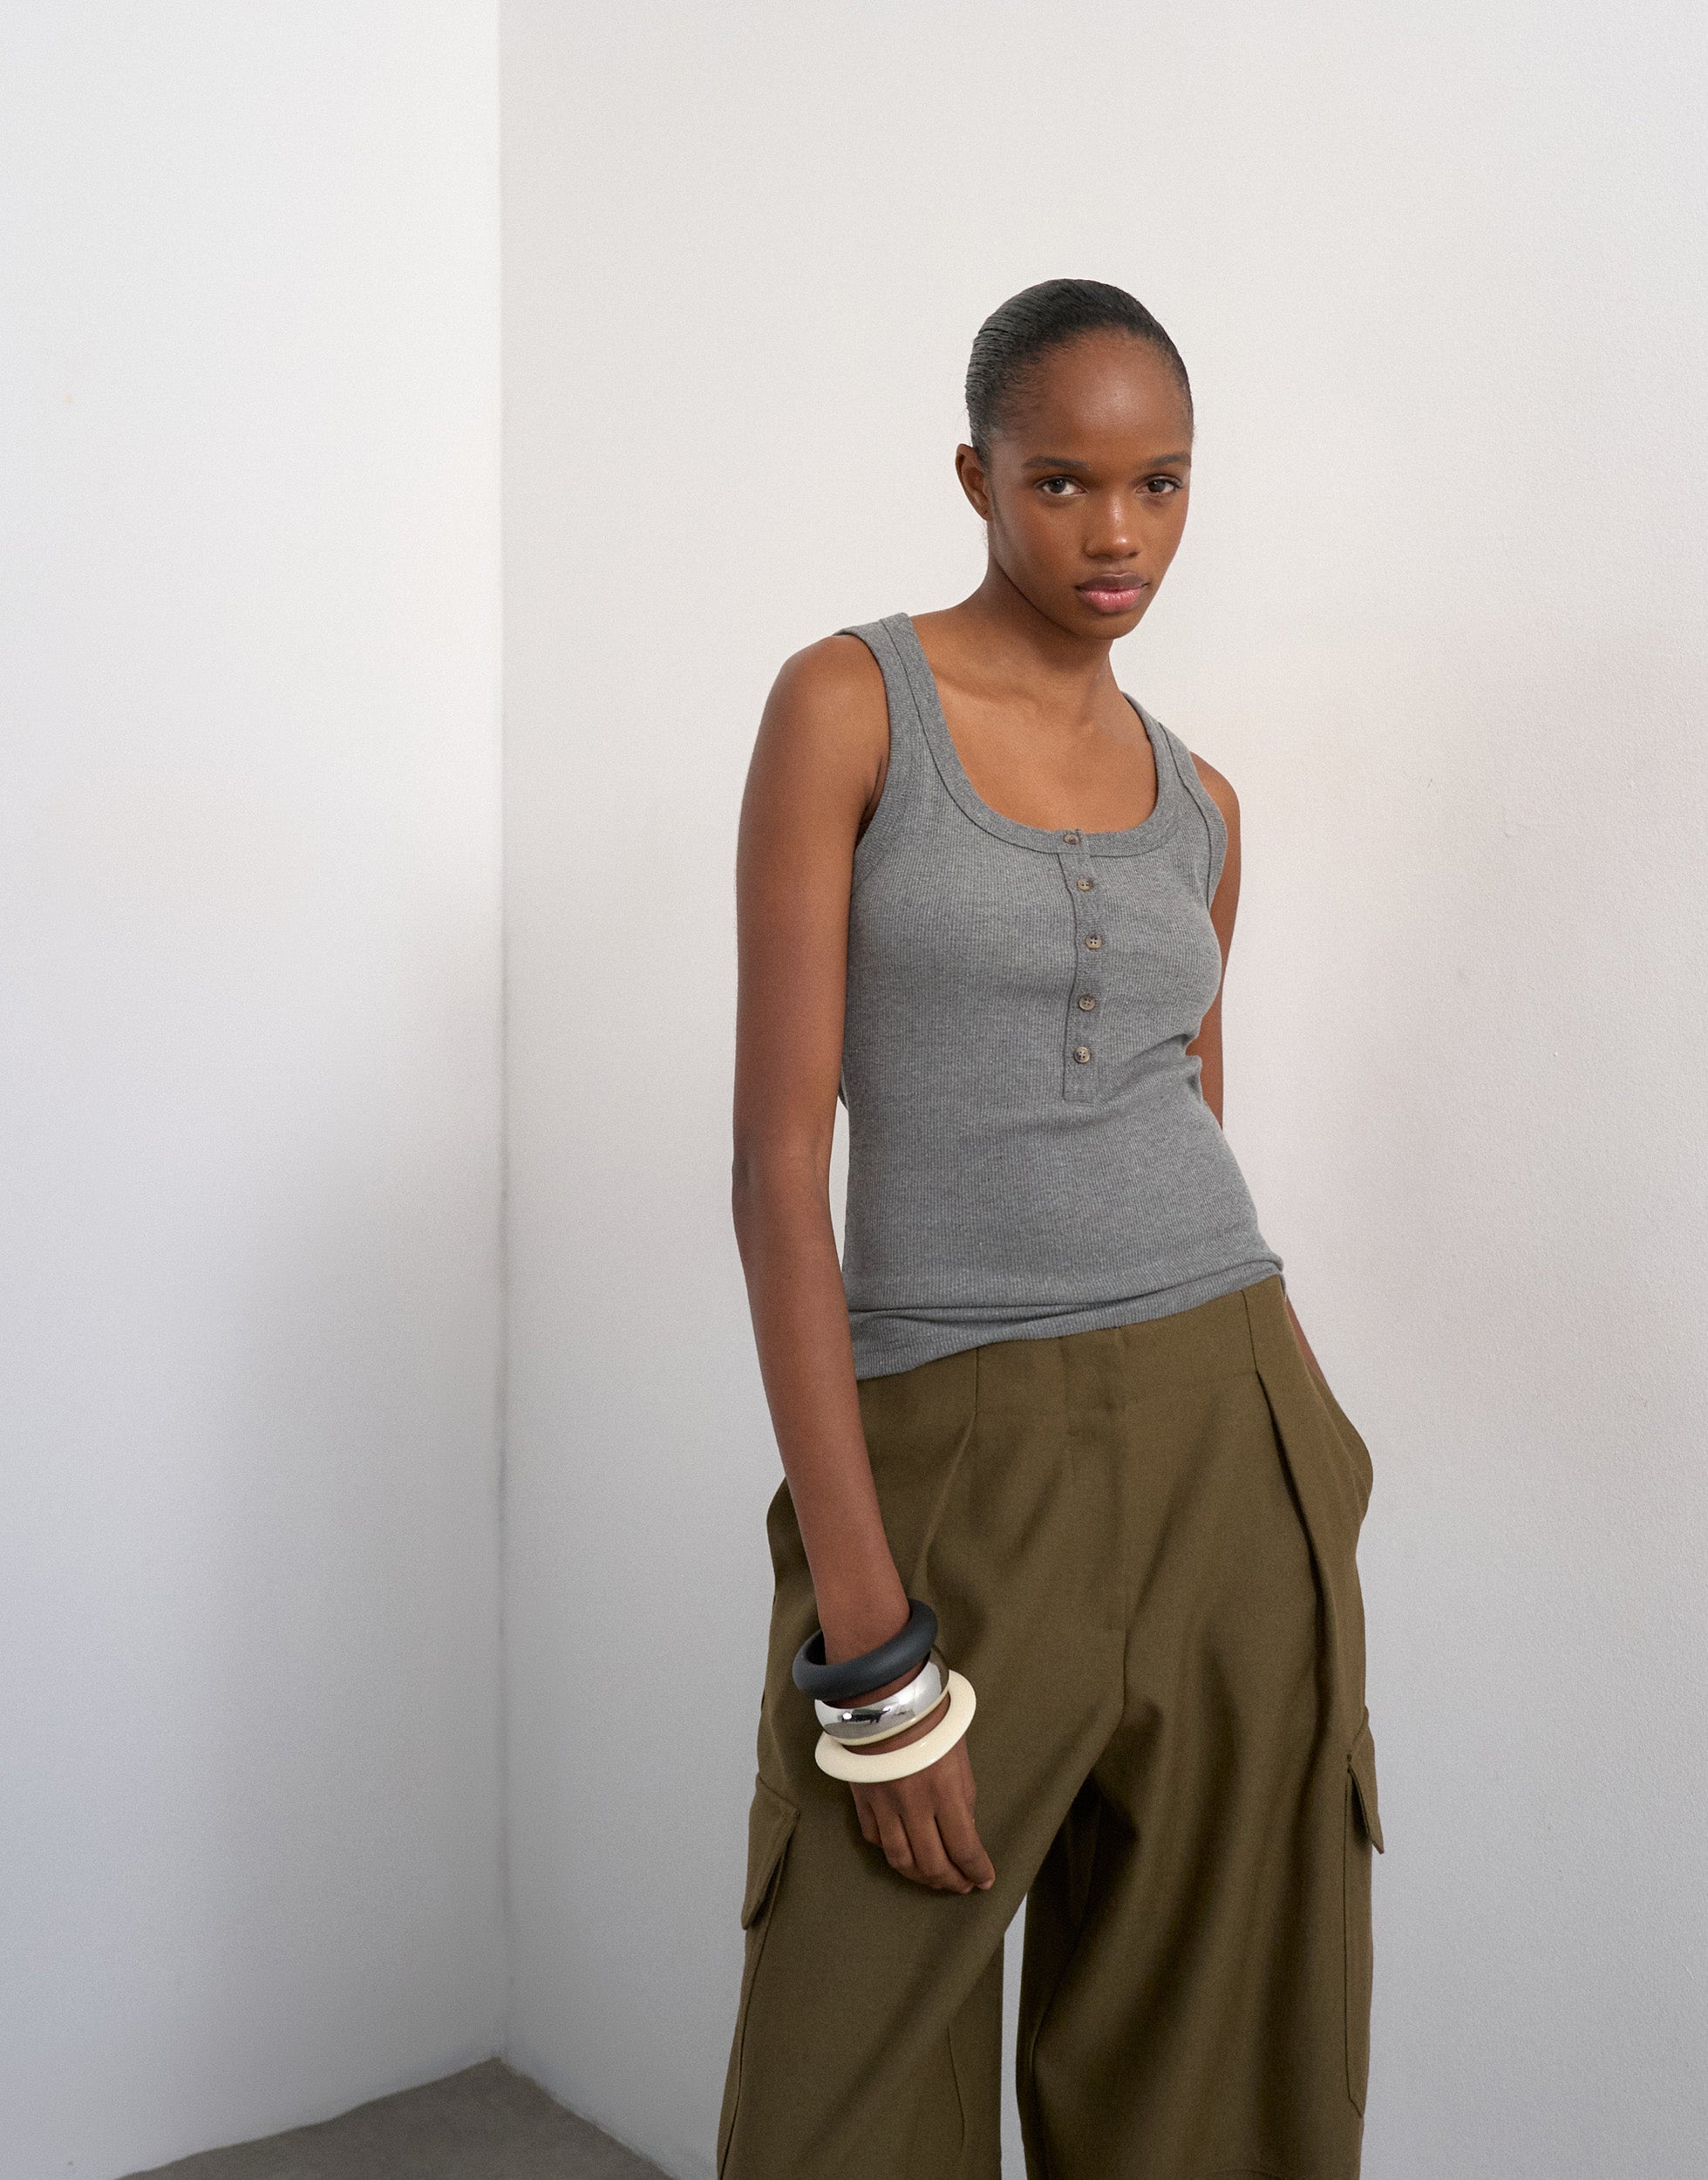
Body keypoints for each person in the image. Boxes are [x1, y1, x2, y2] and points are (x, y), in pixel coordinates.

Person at [721, 277, 1382, 2180]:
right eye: (1063, 482)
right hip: (954, 1454)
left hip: (1230, 1441)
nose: (1116, 534)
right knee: (840, 2099)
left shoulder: (1204, 803)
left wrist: (1302, 1457)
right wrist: (872, 1655)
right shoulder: (851, 703)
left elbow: (1190, 1115)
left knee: (1209, 2097)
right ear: (976, 477)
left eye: (1159, 483)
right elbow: (776, 1174)